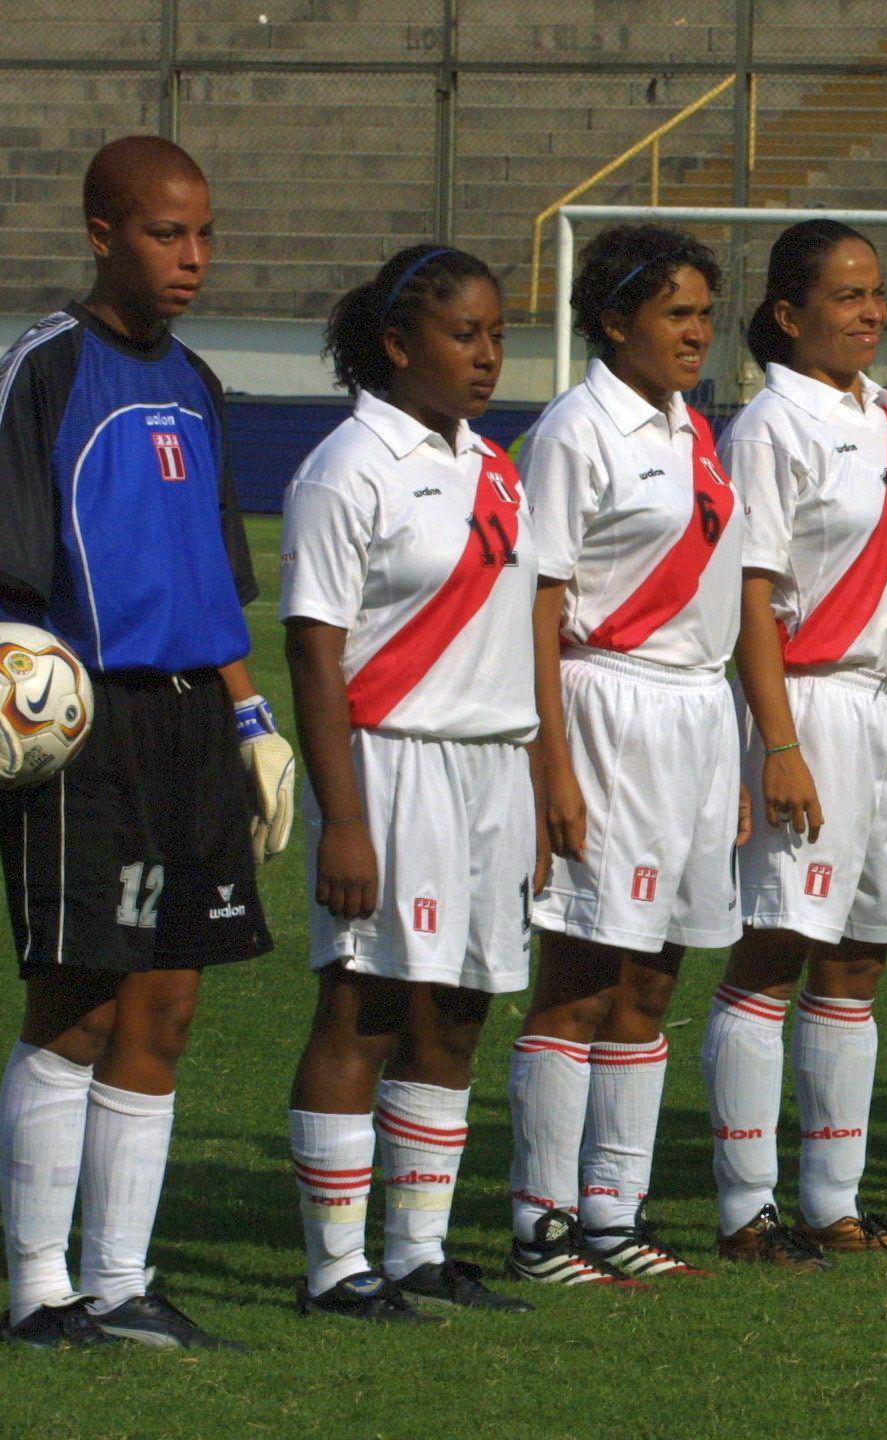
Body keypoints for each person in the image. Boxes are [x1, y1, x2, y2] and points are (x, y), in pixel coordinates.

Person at [0, 136, 291, 1352]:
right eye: (170, 234)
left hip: (191, 720)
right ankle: (36, 1291)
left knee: (167, 1003)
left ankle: (122, 1281)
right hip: (87, 718)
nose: (194, 258)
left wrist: (251, 720)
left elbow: (220, 582)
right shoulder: (44, 374)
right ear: (104, 232)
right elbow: (13, 577)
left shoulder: (201, 383)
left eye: (207, 234)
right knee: (76, 999)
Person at [282, 245, 539, 1321]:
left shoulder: (497, 465)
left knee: (464, 1002)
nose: (486, 356)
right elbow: (314, 651)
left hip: (492, 768)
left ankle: (419, 1248)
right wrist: (343, 820)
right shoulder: (349, 467)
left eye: (494, 336)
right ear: (398, 345)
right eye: (462, 334)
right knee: (367, 1002)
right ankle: (337, 1268)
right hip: (393, 767)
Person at [706, 220, 887, 1267]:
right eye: (847, 296)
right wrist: (779, 742)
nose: (870, 313)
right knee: (776, 948)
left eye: (877, 294)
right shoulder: (773, 424)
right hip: (815, 707)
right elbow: (752, 596)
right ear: (787, 313)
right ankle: (745, 1206)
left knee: (861, 956)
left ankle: (834, 1200)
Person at [505, 224, 739, 1285]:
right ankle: (542, 1221)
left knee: (652, 980)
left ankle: (615, 1215)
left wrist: (730, 749)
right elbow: (541, 606)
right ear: (614, 322)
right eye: (676, 313)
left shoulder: (693, 428)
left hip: (695, 718)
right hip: (608, 711)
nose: (698, 332)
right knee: (581, 978)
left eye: (704, 312)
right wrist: (554, 766)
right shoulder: (574, 431)